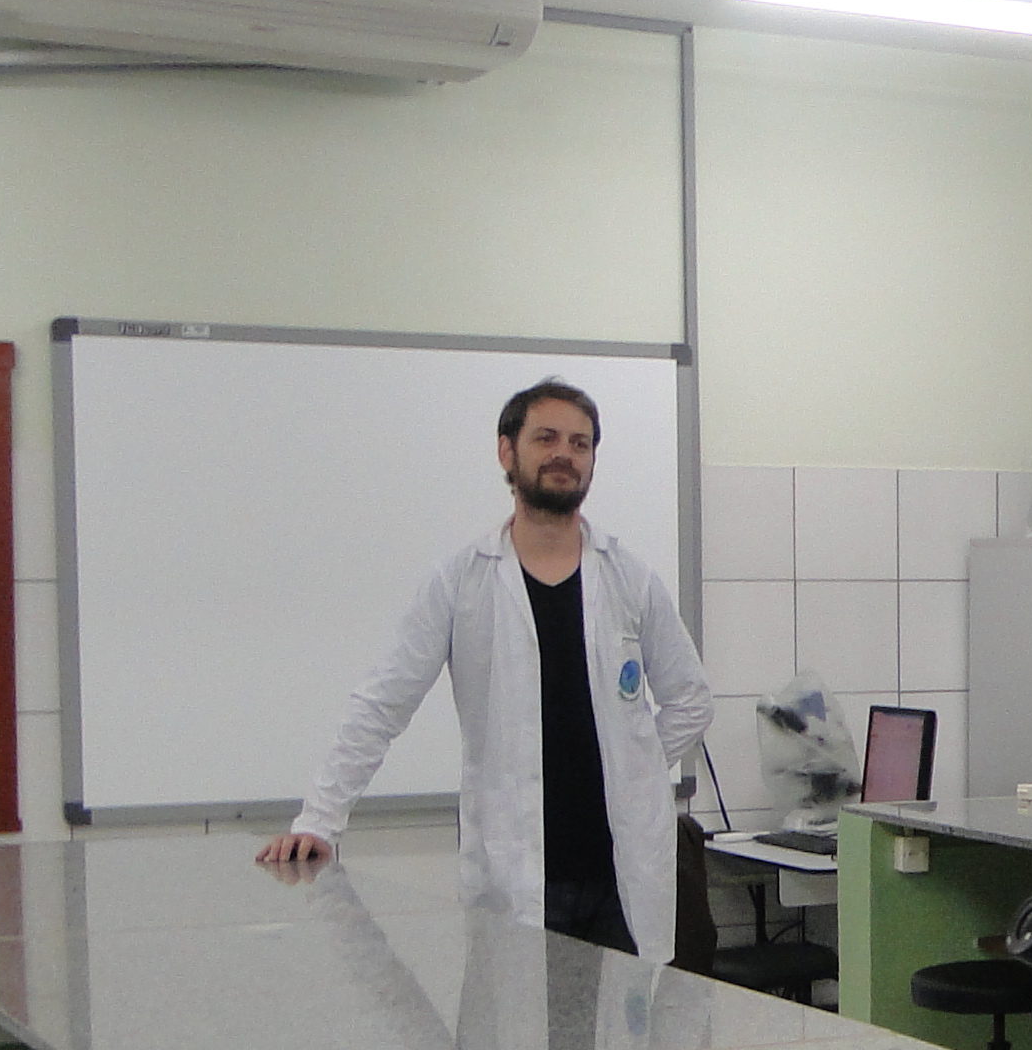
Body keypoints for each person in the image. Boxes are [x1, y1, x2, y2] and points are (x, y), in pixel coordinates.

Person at [259, 379, 711, 958]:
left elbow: (691, 699)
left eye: (580, 443)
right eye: (546, 438)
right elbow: (381, 706)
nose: (564, 454)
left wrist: (630, 766)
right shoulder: (460, 581)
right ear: (506, 451)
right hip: (515, 877)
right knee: (513, 1014)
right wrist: (319, 821)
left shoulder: (630, 577)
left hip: (622, 883)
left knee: (632, 1018)